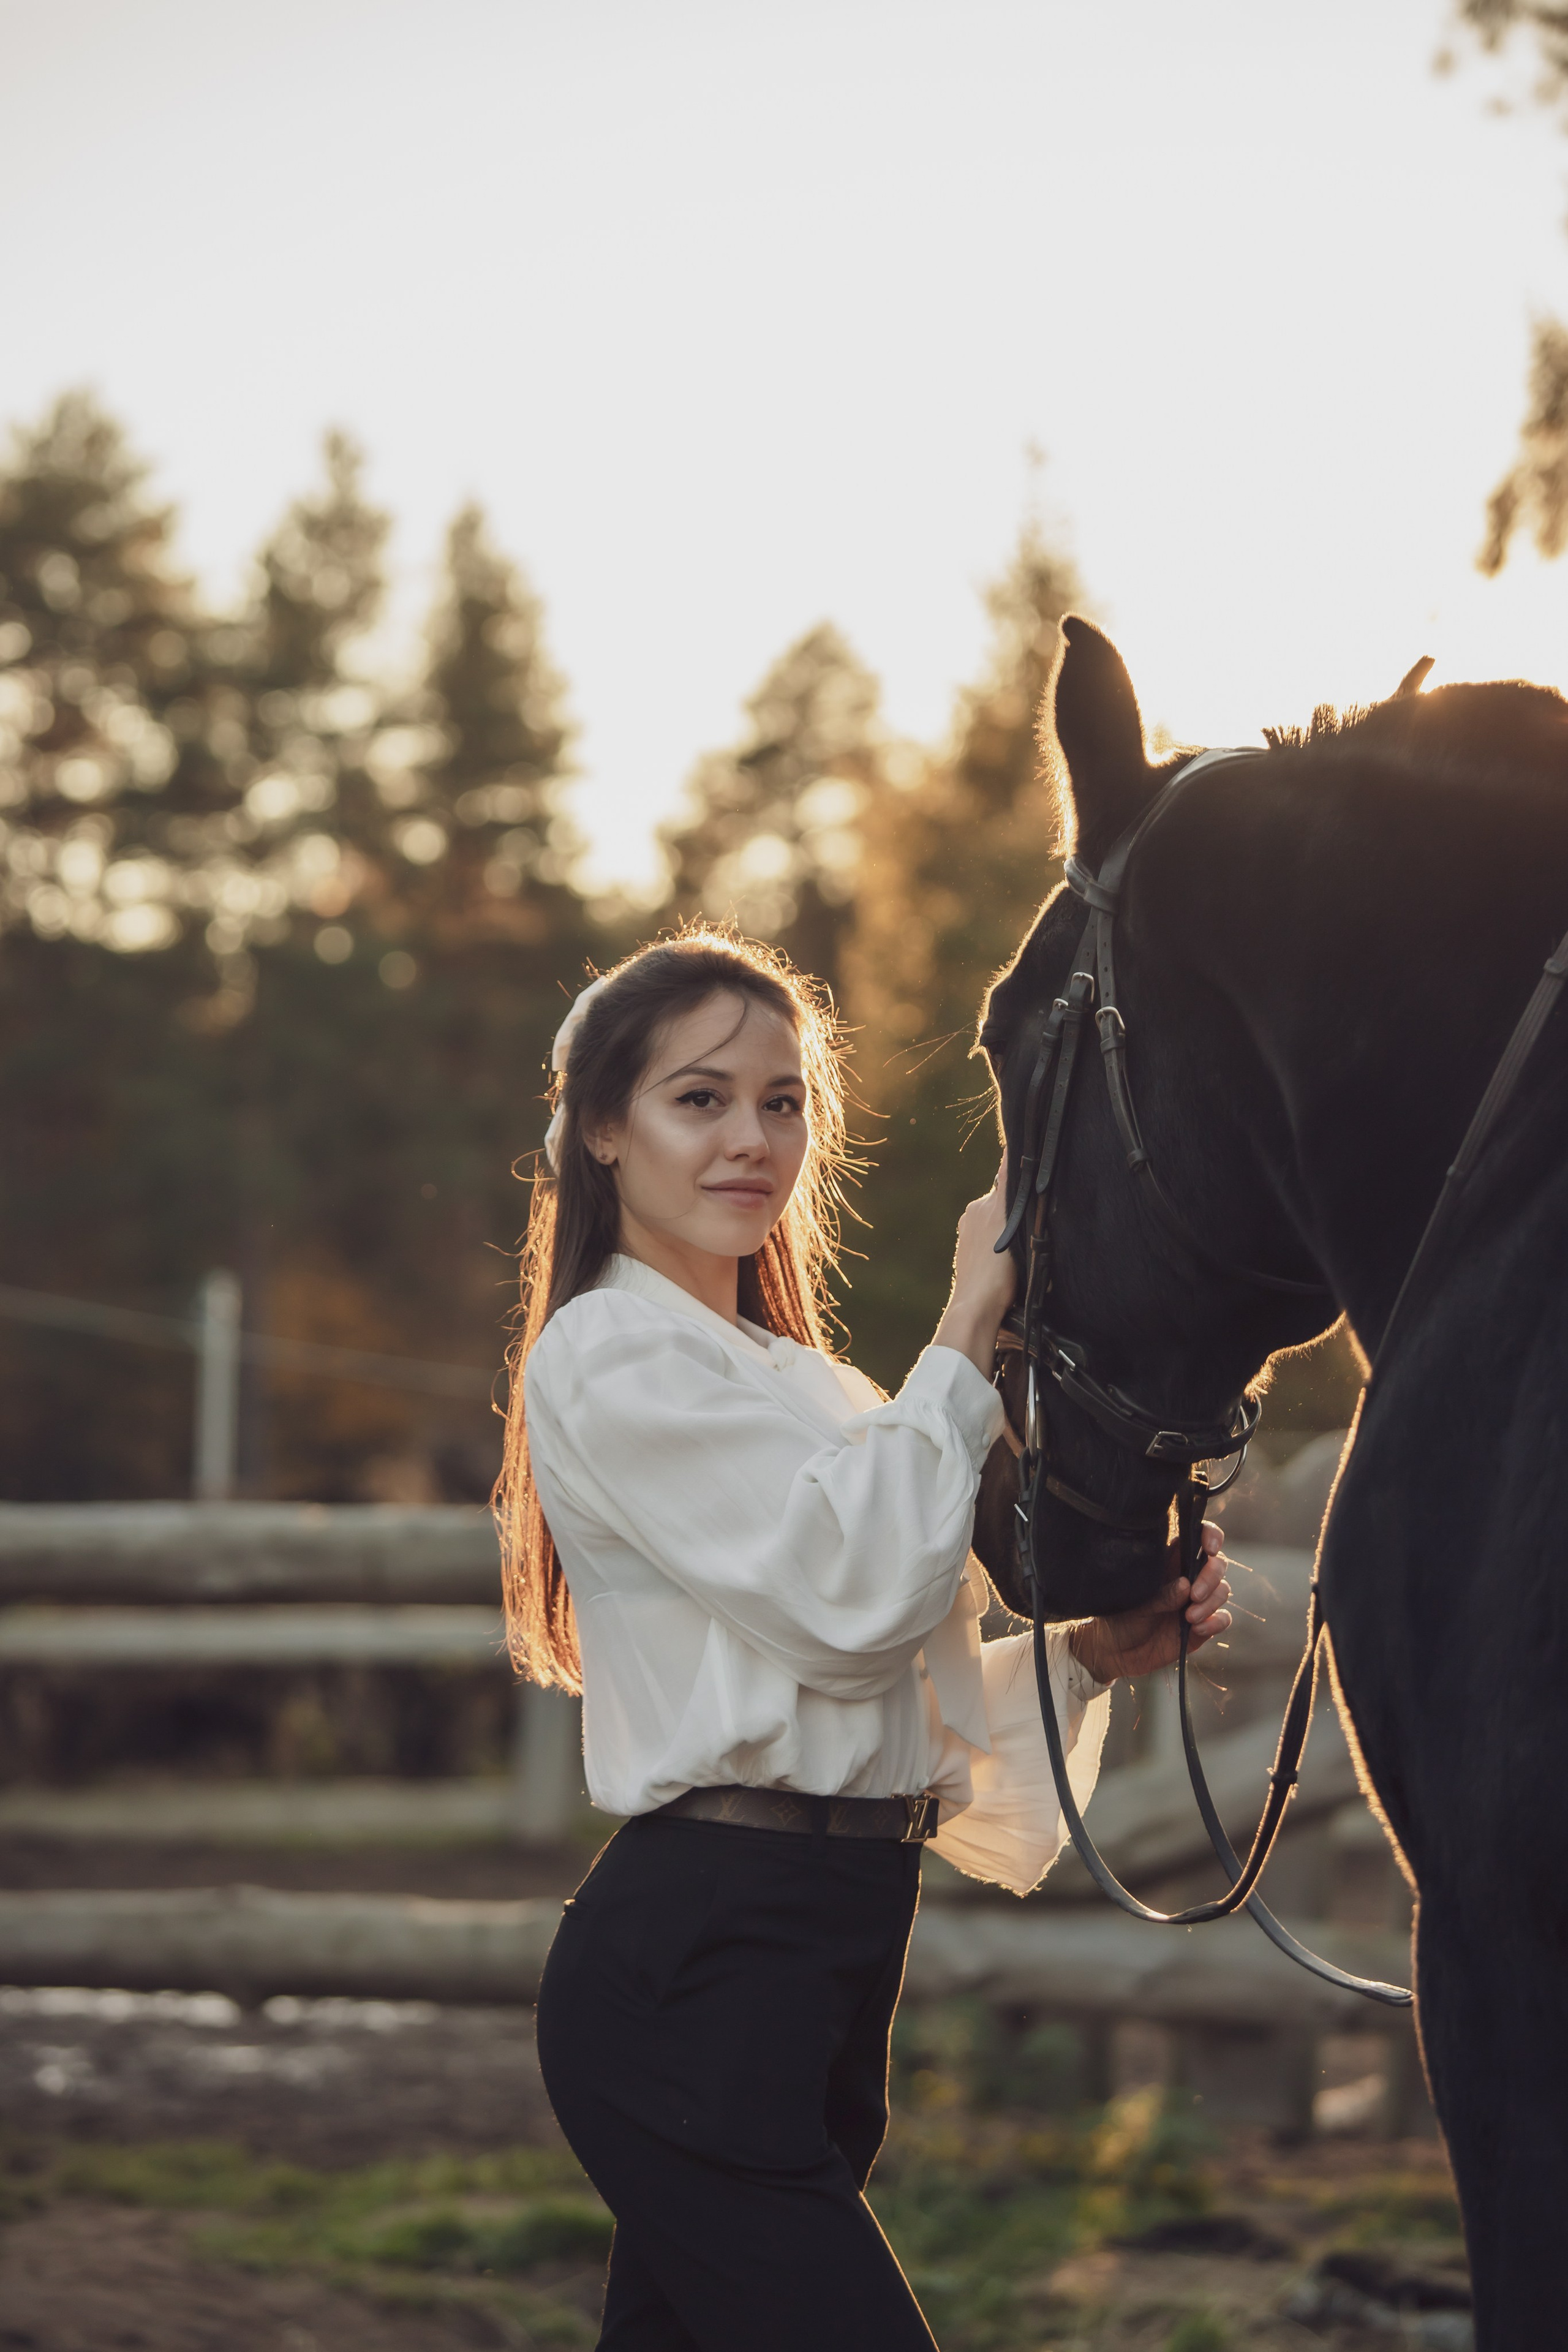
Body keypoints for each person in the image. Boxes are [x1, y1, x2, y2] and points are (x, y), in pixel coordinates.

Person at [496, 928, 1231, 2352]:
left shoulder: (810, 1381)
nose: (750, 1140)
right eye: (697, 1099)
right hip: (697, 1959)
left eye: (781, 1102)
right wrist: (971, 1306)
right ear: (602, 1128)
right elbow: (848, 1609)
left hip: (822, 1957)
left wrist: (1083, 1655)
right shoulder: (605, 1352)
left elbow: (866, 1689)